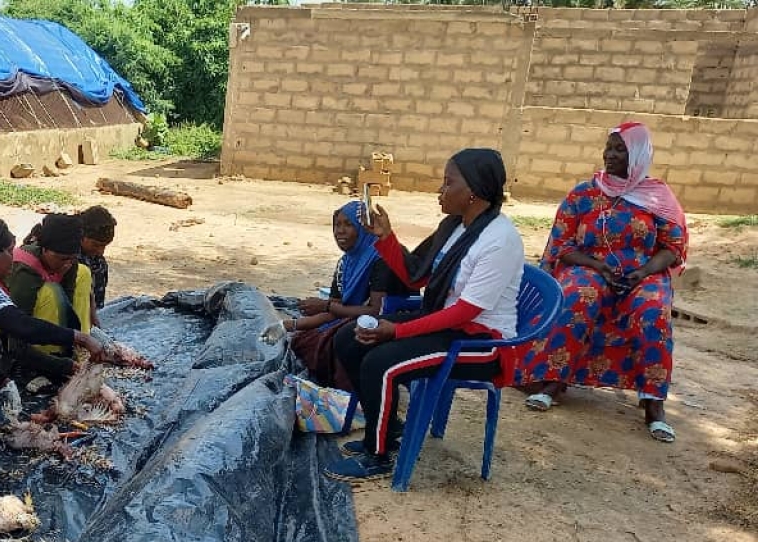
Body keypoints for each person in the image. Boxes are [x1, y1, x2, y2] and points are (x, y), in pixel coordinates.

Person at [324, 148, 525, 482]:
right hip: (449, 324)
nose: (440, 191)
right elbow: (417, 275)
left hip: (480, 343)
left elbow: (466, 311)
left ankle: (378, 456)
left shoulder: (499, 241)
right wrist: (385, 238)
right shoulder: (455, 226)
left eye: (448, 183)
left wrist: (397, 331)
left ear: (473, 191)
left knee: (380, 361)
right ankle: (387, 426)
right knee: (349, 338)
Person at [515, 122, 686, 443]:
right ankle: (553, 380)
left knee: (652, 311)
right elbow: (562, 246)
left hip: (642, 272)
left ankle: (653, 403)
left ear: (637, 154)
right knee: (579, 295)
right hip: (589, 266)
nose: (610, 155)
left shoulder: (657, 198)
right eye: (608, 147)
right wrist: (598, 266)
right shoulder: (584, 193)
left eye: (619, 149)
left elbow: (672, 248)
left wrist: (642, 272)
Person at [0, 218, 104, 412]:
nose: (12, 258)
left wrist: (1, 380)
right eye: (8, 251)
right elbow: (22, 326)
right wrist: (80, 338)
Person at [268, 200, 410, 388]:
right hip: (355, 318)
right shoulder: (346, 263)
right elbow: (334, 309)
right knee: (301, 342)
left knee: (337, 342)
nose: (339, 231)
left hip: (390, 321)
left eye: (348, 224)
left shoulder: (380, 259)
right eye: (337, 225)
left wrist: (325, 306)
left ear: (364, 228)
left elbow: (376, 310)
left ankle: (354, 397)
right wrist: (288, 325)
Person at [6, 214, 95, 382]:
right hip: (10, 329)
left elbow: (67, 306)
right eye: (62, 259)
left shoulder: (69, 262)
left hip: (43, 325)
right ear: (44, 249)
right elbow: (15, 332)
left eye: (71, 259)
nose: (67, 264)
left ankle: (75, 347)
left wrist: (76, 340)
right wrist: (58, 364)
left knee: (83, 273)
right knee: (51, 291)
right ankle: (46, 353)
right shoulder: (26, 270)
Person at [78, 205, 117, 317]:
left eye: (104, 246)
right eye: (95, 245)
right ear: (81, 236)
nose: (100, 252)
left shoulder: (98, 263)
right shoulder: (66, 258)